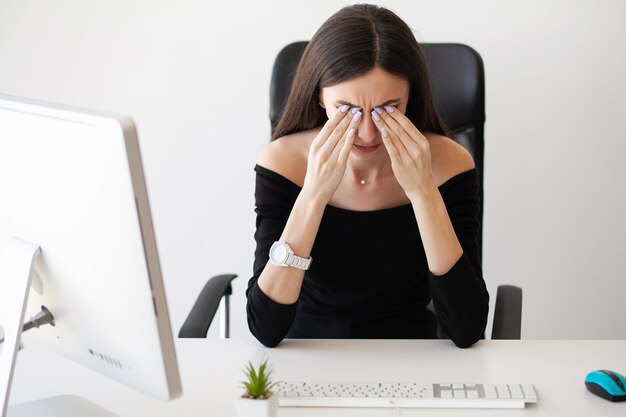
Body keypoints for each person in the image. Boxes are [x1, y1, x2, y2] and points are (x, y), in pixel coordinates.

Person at [246, 4, 489, 348]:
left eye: (388, 109)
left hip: (409, 353)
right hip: (309, 354)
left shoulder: (449, 163)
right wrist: (314, 194)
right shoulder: (283, 161)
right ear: (319, 96)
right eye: (346, 110)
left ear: (410, 97)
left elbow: (467, 329)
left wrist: (423, 192)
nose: (367, 133)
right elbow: (265, 328)